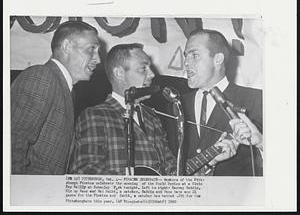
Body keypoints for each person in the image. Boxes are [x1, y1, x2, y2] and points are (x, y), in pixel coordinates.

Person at [68, 43, 238, 176]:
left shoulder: (152, 117)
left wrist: (210, 160)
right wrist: (139, 187)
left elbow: (173, 172)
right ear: (119, 73)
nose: (152, 75)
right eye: (143, 68)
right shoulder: (95, 115)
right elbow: (84, 173)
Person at [11, 20, 101, 175]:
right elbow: (11, 143)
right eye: (91, 49)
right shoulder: (42, 76)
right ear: (67, 46)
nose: (98, 59)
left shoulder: (64, 88)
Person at [182, 29, 263, 176]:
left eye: (194, 55)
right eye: (186, 56)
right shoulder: (177, 104)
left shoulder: (256, 99)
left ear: (218, 59)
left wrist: (262, 143)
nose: (186, 63)